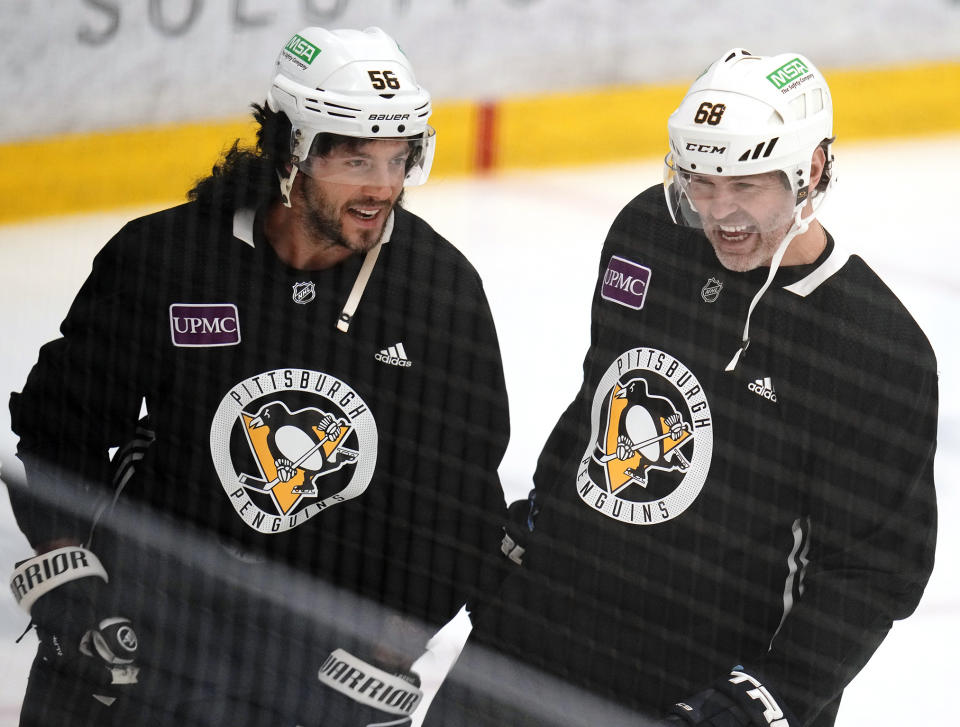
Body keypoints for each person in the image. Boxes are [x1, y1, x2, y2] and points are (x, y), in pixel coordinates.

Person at [5, 26, 511, 727]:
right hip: (157, 607)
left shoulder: (439, 289)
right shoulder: (169, 258)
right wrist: (67, 566)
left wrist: (390, 647)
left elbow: (458, 497)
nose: (383, 187)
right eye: (357, 160)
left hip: (326, 628)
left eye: (400, 159)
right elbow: (65, 421)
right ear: (291, 150)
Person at [425, 49, 938, 727]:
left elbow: (874, 573)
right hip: (540, 631)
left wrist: (767, 696)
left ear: (811, 170)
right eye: (700, 181)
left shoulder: (873, 345)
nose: (718, 212)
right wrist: (534, 526)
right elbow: (599, 394)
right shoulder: (650, 231)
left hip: (699, 684)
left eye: (746, 186)